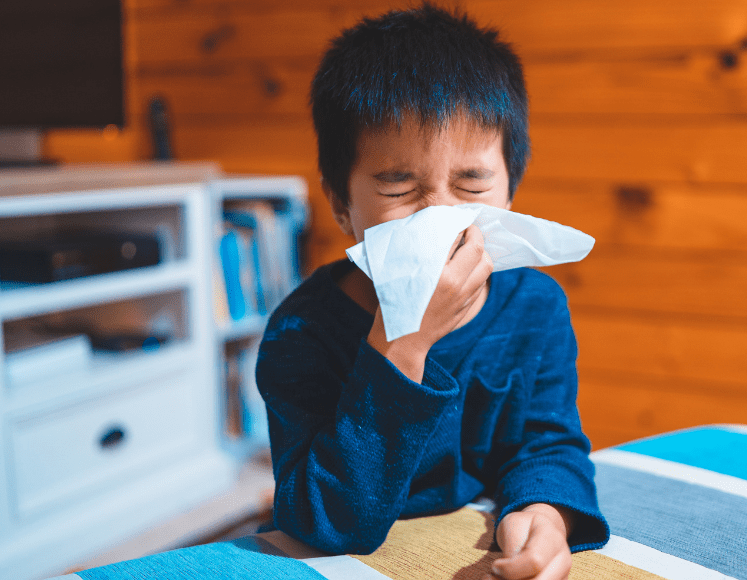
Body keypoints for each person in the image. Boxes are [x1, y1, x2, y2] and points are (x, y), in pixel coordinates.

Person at [255, 5, 609, 579]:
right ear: (342, 205)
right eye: (400, 186)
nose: (441, 216)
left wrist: (543, 512)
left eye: (472, 184)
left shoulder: (535, 308)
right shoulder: (303, 332)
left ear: (511, 191)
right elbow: (322, 522)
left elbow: (548, 444)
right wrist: (403, 345)